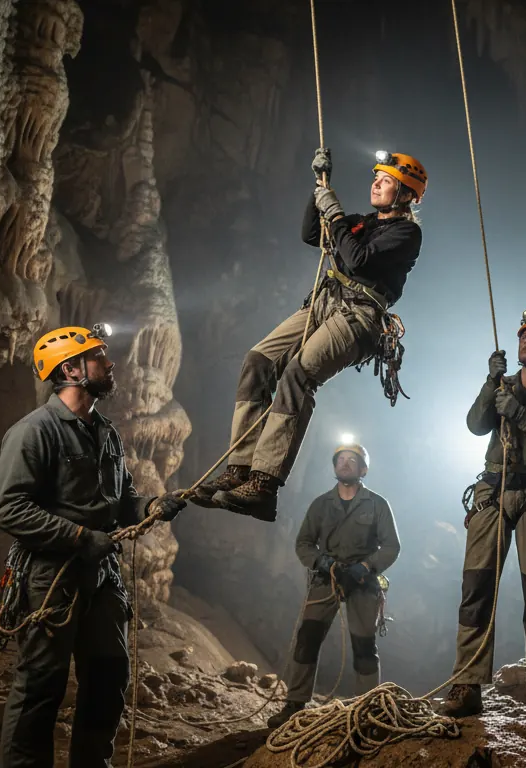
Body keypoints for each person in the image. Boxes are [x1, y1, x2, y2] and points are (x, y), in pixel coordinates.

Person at [190, 149, 428, 521]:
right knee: (258, 361)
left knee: (298, 375)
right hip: (323, 303)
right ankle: (239, 466)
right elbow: (311, 234)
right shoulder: (364, 221)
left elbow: (358, 260)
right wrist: (319, 190)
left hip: (358, 315)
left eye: (387, 181)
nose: (376, 183)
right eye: (376, 178)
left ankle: (264, 483)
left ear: (407, 194)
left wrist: (333, 211)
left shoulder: (406, 233)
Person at [0, 324, 186, 767]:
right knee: (41, 686)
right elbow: (8, 509)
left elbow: (118, 503)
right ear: (71, 369)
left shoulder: (105, 432)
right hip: (50, 577)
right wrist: (79, 537)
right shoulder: (34, 432)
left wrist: (150, 506)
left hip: (101, 577)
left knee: (107, 678)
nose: (110, 363)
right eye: (99, 356)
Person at [440, 312, 526, 720]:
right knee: (476, 588)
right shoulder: (502, 386)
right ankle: (466, 684)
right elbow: (474, 425)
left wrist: (518, 413)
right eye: (523, 336)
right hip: (494, 488)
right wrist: (490, 383)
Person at [268, 441, 401, 727]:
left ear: (363, 469)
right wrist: (322, 563)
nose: (345, 463)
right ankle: (294, 703)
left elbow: (391, 546)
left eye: (352, 460)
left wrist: (365, 567)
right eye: (341, 458)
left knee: (364, 646)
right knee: (307, 640)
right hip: (326, 578)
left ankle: (367, 711)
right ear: (334, 465)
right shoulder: (321, 504)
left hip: (362, 581)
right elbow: (303, 543)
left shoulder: (377, 504)